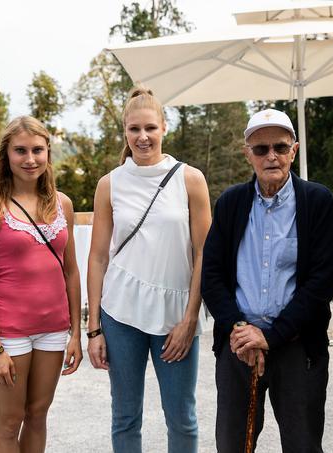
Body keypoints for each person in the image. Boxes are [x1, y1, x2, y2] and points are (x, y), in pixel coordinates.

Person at [201, 108, 333, 452]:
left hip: (296, 345)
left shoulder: (316, 200)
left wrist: (270, 336)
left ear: (294, 150)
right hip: (238, 344)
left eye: (279, 146)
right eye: (261, 149)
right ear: (248, 154)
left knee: (303, 444)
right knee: (233, 444)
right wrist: (238, 328)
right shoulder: (231, 202)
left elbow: (321, 281)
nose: (271, 156)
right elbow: (212, 274)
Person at [86, 85, 211, 453]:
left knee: (182, 418)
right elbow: (97, 258)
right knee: (125, 417)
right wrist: (93, 329)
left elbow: (205, 252)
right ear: (124, 131)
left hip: (176, 315)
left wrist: (191, 319)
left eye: (150, 128)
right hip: (120, 313)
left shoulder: (190, 179)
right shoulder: (109, 184)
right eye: (134, 129)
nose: (143, 137)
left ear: (164, 127)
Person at [0, 116, 82, 452]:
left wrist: (76, 332)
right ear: (6, 155)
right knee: (9, 420)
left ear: (48, 152)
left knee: (37, 414)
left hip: (53, 329)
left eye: (37, 149)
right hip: (10, 332)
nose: (30, 158)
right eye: (20, 150)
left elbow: (71, 272)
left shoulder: (62, 204)